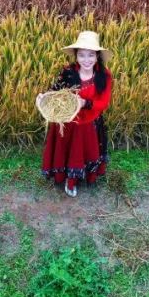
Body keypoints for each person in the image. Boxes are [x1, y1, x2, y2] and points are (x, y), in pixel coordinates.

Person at [37, 30, 113, 197]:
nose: (86, 60)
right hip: (66, 122)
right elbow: (56, 92)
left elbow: (104, 103)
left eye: (91, 55)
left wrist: (84, 103)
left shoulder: (104, 76)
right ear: (76, 56)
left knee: (81, 152)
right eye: (82, 55)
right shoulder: (68, 72)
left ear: (97, 56)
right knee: (67, 151)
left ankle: (79, 178)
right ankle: (67, 180)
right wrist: (44, 97)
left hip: (88, 124)